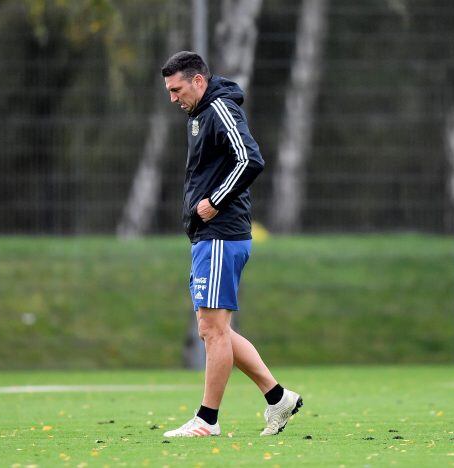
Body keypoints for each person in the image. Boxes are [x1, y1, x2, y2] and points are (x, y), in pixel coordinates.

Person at [160, 51, 302, 438]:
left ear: (198, 82)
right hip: (210, 235)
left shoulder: (219, 109)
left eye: (177, 89)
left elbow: (250, 159)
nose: (172, 97)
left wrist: (214, 201)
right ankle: (278, 398)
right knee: (213, 329)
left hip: (223, 232)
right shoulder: (198, 115)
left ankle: (207, 419)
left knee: (213, 329)